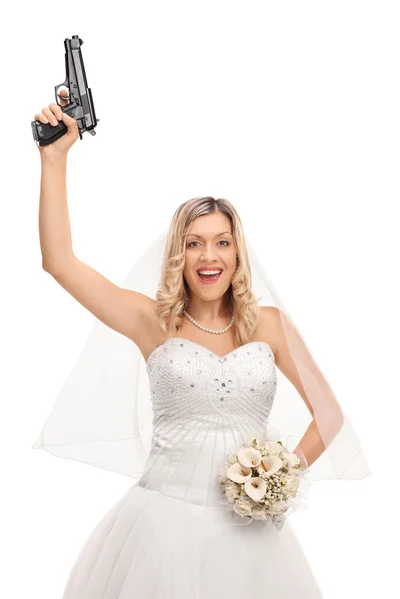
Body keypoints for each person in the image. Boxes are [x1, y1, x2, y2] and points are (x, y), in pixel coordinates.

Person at [33, 92, 370, 598]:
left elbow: (328, 416)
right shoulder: (152, 321)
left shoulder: (271, 325)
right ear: (178, 253)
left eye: (221, 241)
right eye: (194, 242)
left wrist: (277, 479)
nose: (208, 255)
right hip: (160, 529)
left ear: (238, 252)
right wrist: (54, 159)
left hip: (250, 539)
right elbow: (59, 262)